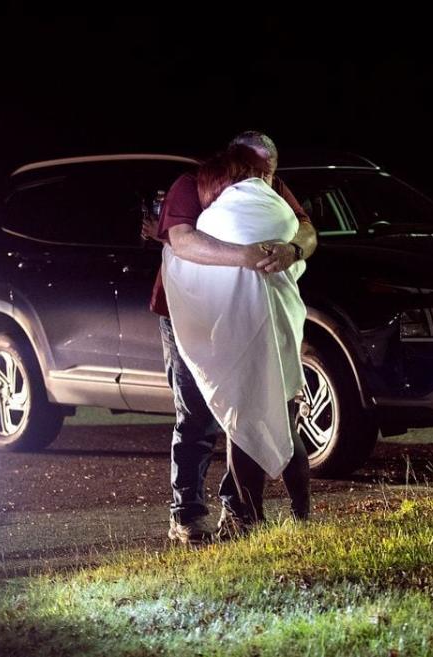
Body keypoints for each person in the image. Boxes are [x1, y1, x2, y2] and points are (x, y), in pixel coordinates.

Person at [147, 132, 317, 544]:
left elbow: (307, 231)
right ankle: (186, 515)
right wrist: (245, 255)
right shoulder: (191, 186)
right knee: (198, 414)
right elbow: (182, 241)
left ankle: (240, 512)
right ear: (237, 159)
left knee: (250, 407)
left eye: (272, 171)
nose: (267, 178)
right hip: (193, 314)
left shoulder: (272, 188)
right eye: (260, 168)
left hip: (250, 311)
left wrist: (293, 251)